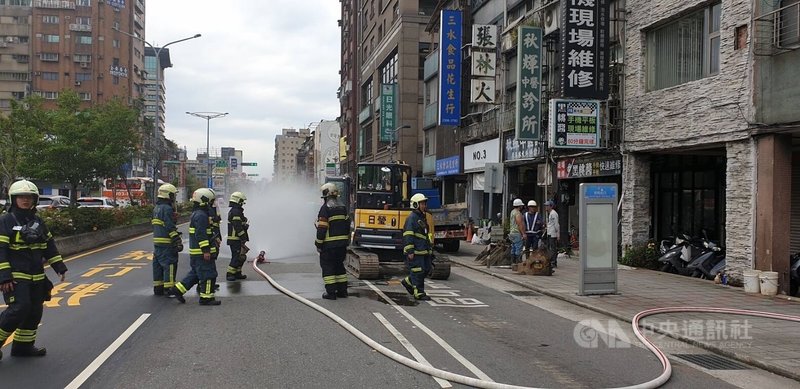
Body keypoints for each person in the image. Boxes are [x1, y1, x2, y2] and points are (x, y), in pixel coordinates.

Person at [0, 179, 67, 359]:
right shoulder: (5, 221)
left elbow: (49, 245)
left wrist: (59, 267)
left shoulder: (37, 221)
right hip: (15, 277)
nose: (25, 200)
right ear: (13, 199)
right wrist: (4, 277)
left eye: (29, 197)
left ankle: (23, 347)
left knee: (34, 311)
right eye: (21, 196)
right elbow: (1, 250)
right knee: (19, 308)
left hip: (37, 276)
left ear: (34, 199)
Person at [168, 188, 221, 306]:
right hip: (202, 253)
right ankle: (206, 298)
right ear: (204, 201)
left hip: (196, 253)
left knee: (196, 274)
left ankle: (178, 290)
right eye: (210, 201)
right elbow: (201, 234)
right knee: (209, 274)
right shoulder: (201, 215)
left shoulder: (198, 214)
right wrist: (206, 251)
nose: (212, 204)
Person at [315, 183, 351, 300]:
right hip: (341, 246)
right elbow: (347, 226)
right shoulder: (343, 208)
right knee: (339, 267)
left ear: (326, 196)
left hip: (328, 246)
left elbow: (322, 228)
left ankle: (331, 293)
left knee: (328, 267)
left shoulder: (325, 209)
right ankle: (342, 291)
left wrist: (318, 244)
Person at [400, 193, 433, 301]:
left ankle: (408, 281)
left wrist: (429, 249)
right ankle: (419, 293)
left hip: (423, 250)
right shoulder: (412, 218)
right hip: (416, 251)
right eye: (422, 203)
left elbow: (425, 235)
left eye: (424, 203)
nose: (424, 205)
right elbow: (408, 235)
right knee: (418, 271)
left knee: (426, 269)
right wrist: (410, 250)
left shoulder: (422, 217)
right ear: (415, 205)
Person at [151, 183, 182, 296]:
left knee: (158, 265)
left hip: (157, 242)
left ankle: (158, 287)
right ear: (168, 195)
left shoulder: (156, 208)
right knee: (170, 264)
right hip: (167, 242)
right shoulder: (167, 209)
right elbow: (169, 226)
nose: (174, 197)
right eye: (173, 195)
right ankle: (169, 288)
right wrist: (176, 239)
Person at [225, 191, 250, 281]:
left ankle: (237, 272)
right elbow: (237, 226)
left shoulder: (237, 211)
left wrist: (244, 224)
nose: (242, 203)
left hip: (237, 239)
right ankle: (230, 274)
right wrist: (243, 237)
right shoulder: (235, 211)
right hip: (235, 239)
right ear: (237, 200)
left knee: (241, 257)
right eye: (241, 201)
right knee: (236, 257)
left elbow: (239, 224)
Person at [508, 198, 527, 264]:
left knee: (513, 247)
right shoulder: (518, 213)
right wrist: (523, 233)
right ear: (520, 206)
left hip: (512, 233)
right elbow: (519, 224)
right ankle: (517, 263)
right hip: (517, 233)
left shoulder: (512, 212)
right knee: (518, 248)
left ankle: (513, 262)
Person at [544, 200, 560, 268]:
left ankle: (554, 262)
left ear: (551, 206)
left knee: (553, 248)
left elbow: (556, 224)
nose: (546, 207)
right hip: (549, 232)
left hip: (553, 233)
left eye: (547, 206)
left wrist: (558, 233)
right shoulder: (550, 213)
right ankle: (551, 261)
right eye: (545, 205)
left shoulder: (553, 214)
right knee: (550, 247)